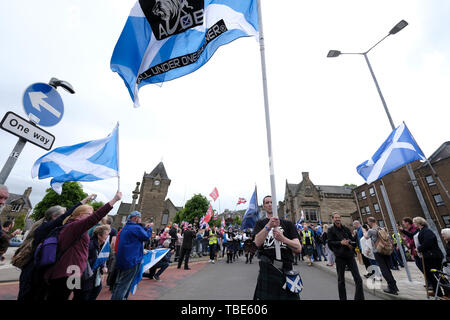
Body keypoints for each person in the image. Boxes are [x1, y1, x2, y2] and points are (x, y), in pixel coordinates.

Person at [17, 195, 96, 301]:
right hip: (39, 270)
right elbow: (72, 216)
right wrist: (112, 201)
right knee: (32, 295)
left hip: (70, 270)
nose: (66, 217)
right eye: (63, 215)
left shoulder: (62, 228)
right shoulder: (48, 227)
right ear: (55, 217)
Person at [44, 191, 122, 300]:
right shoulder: (75, 226)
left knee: (79, 295)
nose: (92, 217)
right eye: (89, 214)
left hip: (74, 270)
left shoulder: (76, 226)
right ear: (80, 215)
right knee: (60, 296)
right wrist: (114, 200)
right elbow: (94, 218)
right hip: (67, 271)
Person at [253, 195, 302, 300]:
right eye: (267, 202)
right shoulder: (260, 224)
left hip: (286, 268)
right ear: (264, 206)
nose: (269, 204)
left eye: (271, 202)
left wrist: (283, 239)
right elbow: (257, 243)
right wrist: (268, 226)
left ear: (275, 205)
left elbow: (298, 248)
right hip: (267, 268)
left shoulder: (288, 224)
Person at [111, 211, 153, 300]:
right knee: (124, 285)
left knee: (120, 283)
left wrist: (144, 228)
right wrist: (150, 229)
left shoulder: (126, 227)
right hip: (131, 260)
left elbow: (138, 235)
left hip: (123, 259)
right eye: (140, 218)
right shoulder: (136, 227)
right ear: (136, 218)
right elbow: (146, 237)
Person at [327, 212, 364, 300]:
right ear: (333, 219)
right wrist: (340, 243)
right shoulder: (331, 230)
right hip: (340, 257)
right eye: (336, 218)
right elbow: (330, 243)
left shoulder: (346, 229)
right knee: (341, 281)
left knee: (358, 279)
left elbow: (352, 240)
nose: (337, 219)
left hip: (350, 256)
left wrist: (352, 245)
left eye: (339, 217)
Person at [73, 224, 111, 300]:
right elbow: (82, 260)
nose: (108, 237)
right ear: (99, 235)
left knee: (96, 290)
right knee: (82, 295)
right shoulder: (90, 245)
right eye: (106, 234)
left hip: (93, 276)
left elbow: (102, 259)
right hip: (85, 276)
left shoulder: (103, 246)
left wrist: (103, 266)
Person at [367, 217, 399, 295]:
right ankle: (394, 286)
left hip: (378, 251)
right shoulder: (383, 228)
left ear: (370, 222)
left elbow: (366, 237)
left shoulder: (371, 230)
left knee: (384, 269)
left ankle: (392, 288)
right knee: (388, 269)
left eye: (368, 223)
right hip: (386, 250)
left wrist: (366, 229)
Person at [413, 216, 444, 297]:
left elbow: (428, 241)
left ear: (419, 223)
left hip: (433, 256)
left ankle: (446, 291)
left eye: (414, 222)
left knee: (436, 275)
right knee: (431, 275)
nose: (414, 224)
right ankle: (437, 292)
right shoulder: (421, 231)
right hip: (429, 256)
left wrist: (419, 249)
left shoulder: (426, 231)